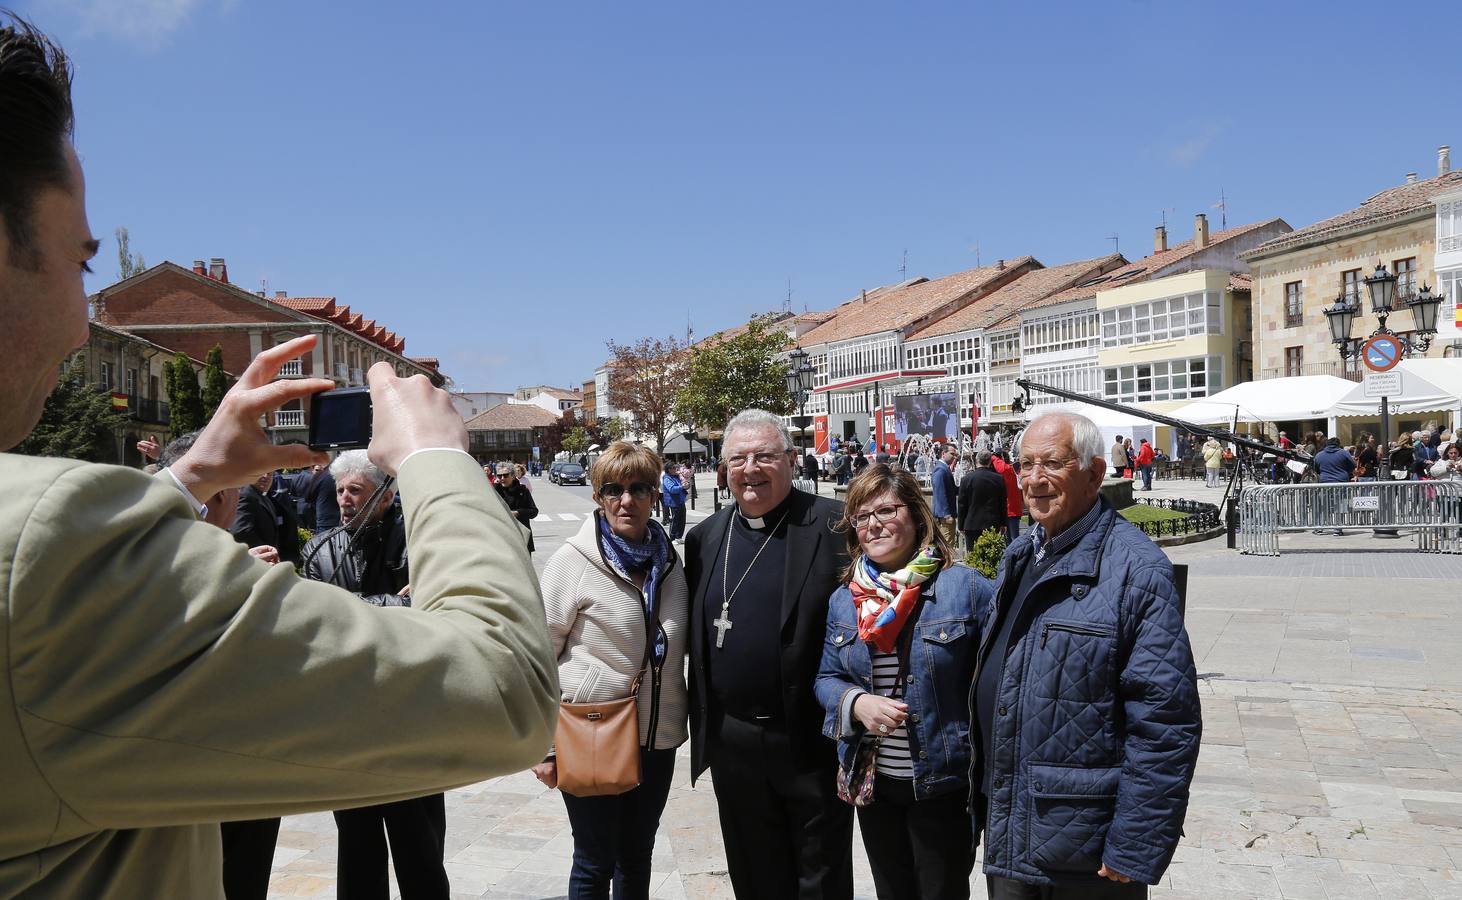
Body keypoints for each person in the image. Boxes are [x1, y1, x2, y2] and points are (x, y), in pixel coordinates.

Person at [0, 16, 559, 896]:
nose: (82, 317)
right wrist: (434, 463)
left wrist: (184, 480)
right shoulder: (46, 552)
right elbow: (505, 690)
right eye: (77, 262)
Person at [973, 411, 1200, 897]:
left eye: (1052, 464)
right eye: (1025, 464)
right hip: (1014, 827)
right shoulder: (1022, 555)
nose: (1034, 480)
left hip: (1087, 850)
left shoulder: (1137, 570)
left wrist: (1136, 843)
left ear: (1095, 473)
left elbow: (1166, 722)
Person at [683, 409, 854, 900]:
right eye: (738, 459)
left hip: (808, 737)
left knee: (820, 873)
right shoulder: (706, 538)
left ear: (791, 460)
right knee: (752, 870)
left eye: (764, 456)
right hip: (732, 739)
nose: (751, 468)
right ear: (723, 468)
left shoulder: (832, 525)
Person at [814, 464, 989, 900]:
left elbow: (998, 684)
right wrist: (856, 703)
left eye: (887, 511)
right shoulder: (845, 599)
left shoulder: (964, 588)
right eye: (862, 516)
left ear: (915, 515)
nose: (874, 525)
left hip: (943, 783)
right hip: (877, 783)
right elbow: (826, 677)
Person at [533, 442, 689, 900]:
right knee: (594, 858)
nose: (627, 500)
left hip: (656, 735)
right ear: (598, 497)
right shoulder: (573, 561)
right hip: (591, 732)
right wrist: (544, 746)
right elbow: (539, 654)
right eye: (613, 490)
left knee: (638, 853)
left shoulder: (672, 563)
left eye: (639, 488)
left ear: (655, 494)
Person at [300, 452, 452, 899]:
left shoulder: (419, 543)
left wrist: (354, 610)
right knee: (358, 848)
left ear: (384, 497)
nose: (345, 500)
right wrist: (390, 605)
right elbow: (317, 626)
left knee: (420, 848)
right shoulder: (319, 550)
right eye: (340, 491)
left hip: (412, 716)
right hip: (348, 721)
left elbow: (433, 617)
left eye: (356, 491)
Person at [231, 468, 302, 565]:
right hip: (258, 562)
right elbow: (241, 531)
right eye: (261, 473)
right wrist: (265, 553)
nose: (266, 477)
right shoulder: (246, 496)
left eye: (269, 474)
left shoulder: (263, 496)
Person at [956, 450, 1006, 551]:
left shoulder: (966, 479)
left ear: (977, 460)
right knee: (991, 556)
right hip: (993, 523)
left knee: (973, 557)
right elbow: (1002, 502)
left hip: (971, 524)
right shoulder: (998, 479)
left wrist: (961, 525)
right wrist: (1003, 523)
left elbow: (962, 504)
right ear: (990, 461)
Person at [495, 460, 539, 552]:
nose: (502, 478)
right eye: (499, 475)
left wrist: (518, 512)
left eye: (506, 475)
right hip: (501, 537)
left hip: (521, 535)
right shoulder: (494, 491)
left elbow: (534, 511)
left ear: (513, 476)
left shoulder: (523, 490)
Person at [930, 445, 959, 548]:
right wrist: (946, 515)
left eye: (955, 454)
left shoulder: (944, 468)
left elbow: (952, 490)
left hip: (945, 516)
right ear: (943, 453)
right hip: (945, 517)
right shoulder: (940, 470)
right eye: (952, 454)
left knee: (946, 545)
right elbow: (940, 493)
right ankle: (944, 564)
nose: (954, 457)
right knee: (946, 546)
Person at [991, 450, 1021, 543]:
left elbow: (1001, 468)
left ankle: (1015, 557)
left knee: (1012, 539)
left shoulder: (1008, 469)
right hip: (1010, 509)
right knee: (1009, 539)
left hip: (1010, 509)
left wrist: (993, 457)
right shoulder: (1011, 469)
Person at [661, 460, 687, 544]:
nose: (675, 469)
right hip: (674, 501)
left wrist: (686, 485)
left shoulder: (676, 477)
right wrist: (682, 487)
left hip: (680, 500)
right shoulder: (667, 478)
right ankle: (672, 537)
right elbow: (672, 489)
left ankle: (679, 536)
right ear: (668, 469)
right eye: (673, 468)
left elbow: (683, 484)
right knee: (675, 519)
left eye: (675, 467)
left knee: (682, 519)